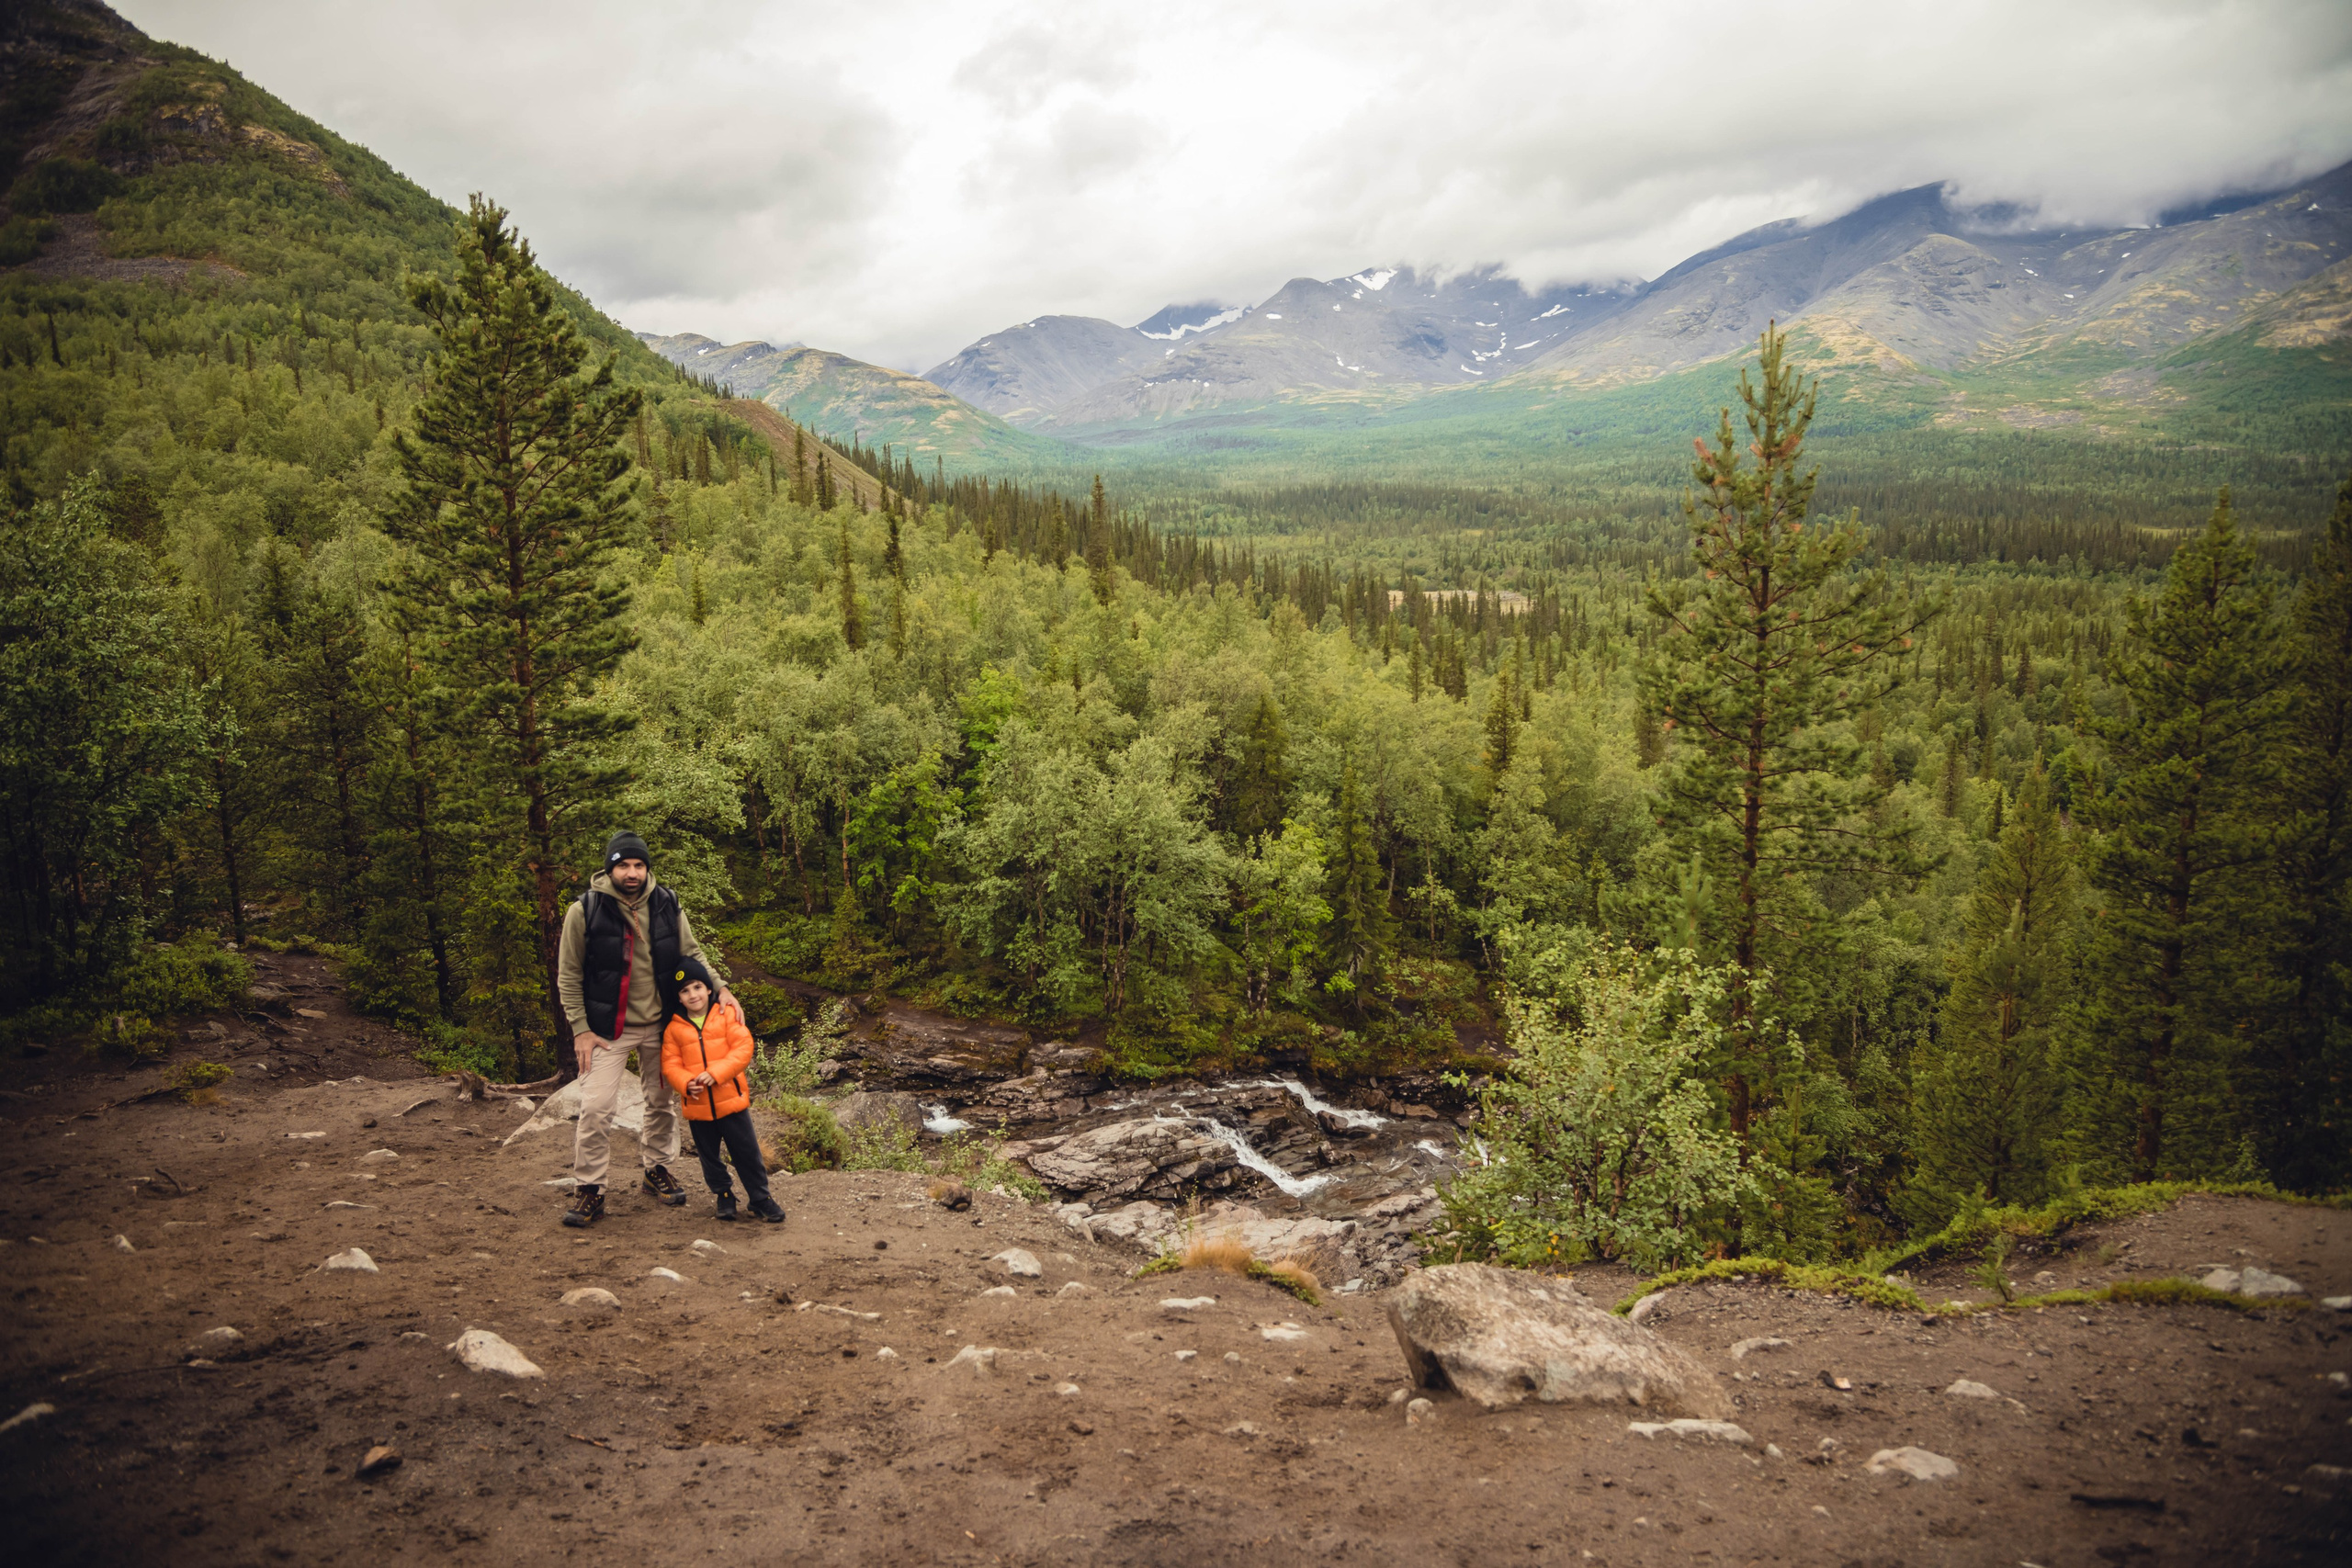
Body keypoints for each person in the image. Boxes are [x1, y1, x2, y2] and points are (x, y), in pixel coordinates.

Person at [556, 830, 742, 1228]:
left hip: (662, 1026)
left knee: (661, 1103)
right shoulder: (585, 910)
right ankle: (590, 1189)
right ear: (610, 868)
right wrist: (581, 1029)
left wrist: (720, 987)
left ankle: (656, 1169)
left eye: (639, 865)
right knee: (596, 1108)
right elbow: (568, 975)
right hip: (608, 1029)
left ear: (646, 868)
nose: (632, 872)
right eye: (623, 865)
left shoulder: (666, 903)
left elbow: (691, 952)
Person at [662, 956, 785, 1224]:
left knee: (747, 1152)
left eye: (696, 987)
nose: (692, 994)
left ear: (708, 988)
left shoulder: (726, 1014)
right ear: (679, 998)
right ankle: (724, 1195)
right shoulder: (674, 1029)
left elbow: (743, 1049)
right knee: (709, 1157)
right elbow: (670, 1064)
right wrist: (685, 1082)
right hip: (698, 1107)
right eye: (684, 991)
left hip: (732, 1102)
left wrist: (716, 1074)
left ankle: (760, 1198)